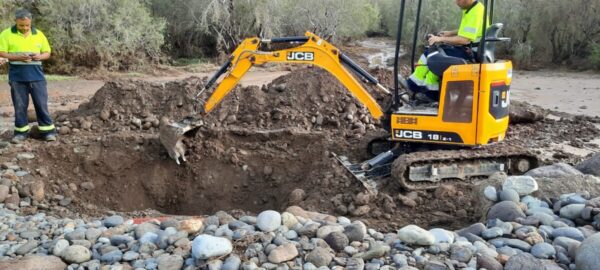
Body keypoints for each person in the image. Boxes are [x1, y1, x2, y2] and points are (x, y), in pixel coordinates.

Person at [406, 0, 488, 103]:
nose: (456, 2)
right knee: (433, 53)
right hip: (470, 50)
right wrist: (449, 33)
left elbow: (464, 39)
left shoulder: (475, 12)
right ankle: (420, 88)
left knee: (433, 56)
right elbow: (468, 30)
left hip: (469, 53)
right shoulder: (474, 8)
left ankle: (421, 90)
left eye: (458, 0)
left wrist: (439, 39)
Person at [0, 9, 56, 142]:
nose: (24, 28)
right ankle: (21, 133)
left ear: (30, 22)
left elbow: (47, 53)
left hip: (37, 77)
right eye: (21, 25)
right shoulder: (6, 34)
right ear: (16, 22)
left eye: (27, 25)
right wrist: (17, 57)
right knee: (19, 106)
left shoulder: (39, 34)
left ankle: (47, 132)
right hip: (17, 78)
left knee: (41, 105)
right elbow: (2, 53)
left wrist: (39, 56)